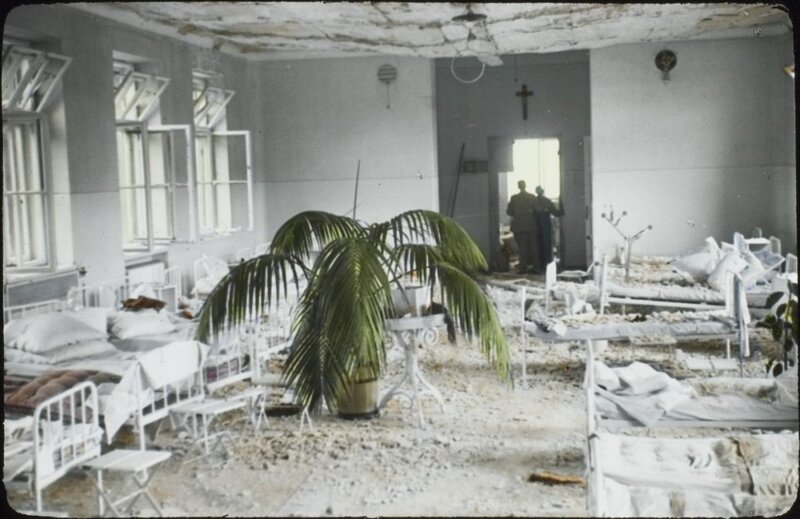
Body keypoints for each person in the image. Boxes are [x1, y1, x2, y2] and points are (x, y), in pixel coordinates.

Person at [506, 180, 538, 273]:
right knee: (533, 247)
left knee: (522, 248)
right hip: (531, 225)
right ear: (525, 185)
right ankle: (536, 267)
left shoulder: (514, 198)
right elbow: (537, 210)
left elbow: (509, 212)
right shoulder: (532, 197)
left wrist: (517, 213)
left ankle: (522, 268)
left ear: (518, 187)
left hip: (519, 226)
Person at [532, 186, 564, 271]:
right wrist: (562, 204)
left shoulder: (532, 201)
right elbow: (557, 213)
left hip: (535, 227)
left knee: (537, 246)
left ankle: (540, 265)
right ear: (542, 191)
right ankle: (548, 265)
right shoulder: (547, 201)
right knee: (546, 245)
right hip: (545, 226)